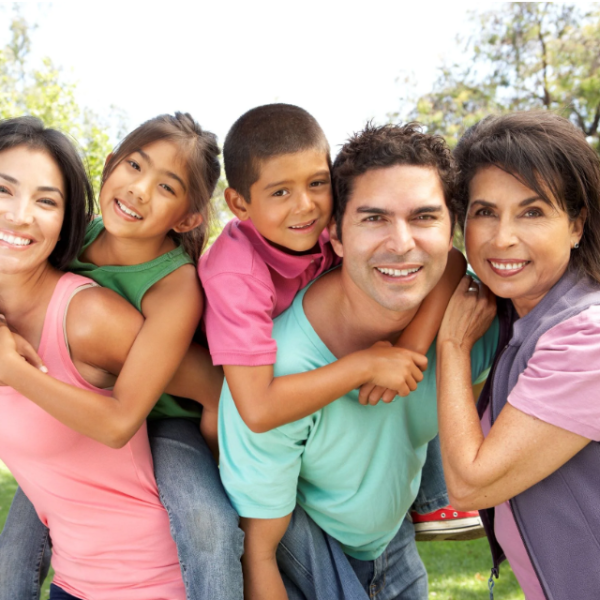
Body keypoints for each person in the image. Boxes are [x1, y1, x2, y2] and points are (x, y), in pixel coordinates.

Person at [218, 122, 500, 600]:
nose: (402, 242)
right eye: (373, 218)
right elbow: (259, 551)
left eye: (425, 217)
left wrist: (425, 345)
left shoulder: (470, 318)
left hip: (394, 544)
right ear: (335, 236)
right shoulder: (281, 369)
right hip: (310, 555)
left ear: (452, 231)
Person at [0, 115, 243, 600]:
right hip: (87, 424)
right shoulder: (75, 239)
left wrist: (219, 456)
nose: (138, 190)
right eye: (134, 166)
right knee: (12, 557)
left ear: (188, 218)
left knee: (204, 524)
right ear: (110, 165)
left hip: (166, 418)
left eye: (165, 186)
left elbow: (205, 393)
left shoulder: (174, 287)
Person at [436, 111, 600, 600]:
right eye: (485, 212)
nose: (502, 237)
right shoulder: (522, 322)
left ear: (575, 225)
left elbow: (471, 484)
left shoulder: (586, 338)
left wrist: (452, 346)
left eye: (532, 212)